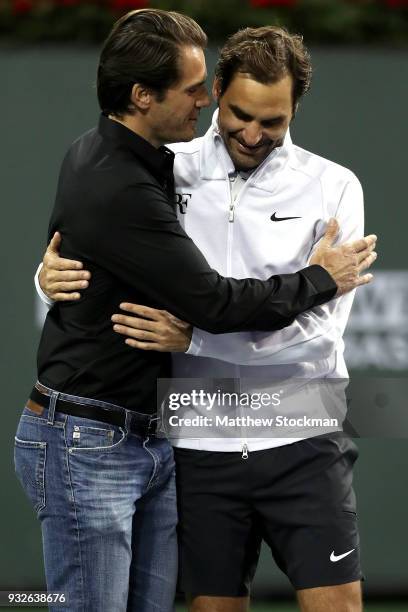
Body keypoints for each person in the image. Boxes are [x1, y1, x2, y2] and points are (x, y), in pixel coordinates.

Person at [32, 14, 377, 612]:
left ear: (295, 109)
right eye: (239, 114)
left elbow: (320, 334)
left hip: (302, 425)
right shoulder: (169, 165)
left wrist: (195, 342)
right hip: (196, 434)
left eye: (273, 121)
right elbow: (105, 249)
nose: (251, 132)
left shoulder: (334, 185)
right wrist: (44, 280)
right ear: (217, 92)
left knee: (340, 607)